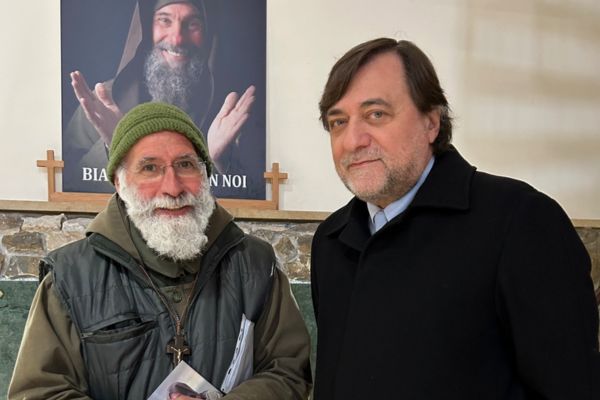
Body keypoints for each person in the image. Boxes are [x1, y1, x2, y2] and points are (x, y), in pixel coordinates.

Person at [311, 37, 600, 399]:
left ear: (431, 122)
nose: (353, 140)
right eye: (338, 121)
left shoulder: (519, 221)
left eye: (376, 114)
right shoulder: (331, 241)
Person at [9, 102, 312, 399]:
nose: (173, 188)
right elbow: (40, 391)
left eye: (185, 165)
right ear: (118, 181)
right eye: (150, 168)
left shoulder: (256, 264)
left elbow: (288, 372)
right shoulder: (69, 277)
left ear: (205, 175)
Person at [63, 0, 259, 195]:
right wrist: (115, 146)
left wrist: (223, 163)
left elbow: (258, 197)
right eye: (165, 20)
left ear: (207, 32)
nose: (177, 39)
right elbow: (69, 188)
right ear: (147, 27)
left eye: (192, 24)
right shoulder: (103, 102)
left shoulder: (234, 113)